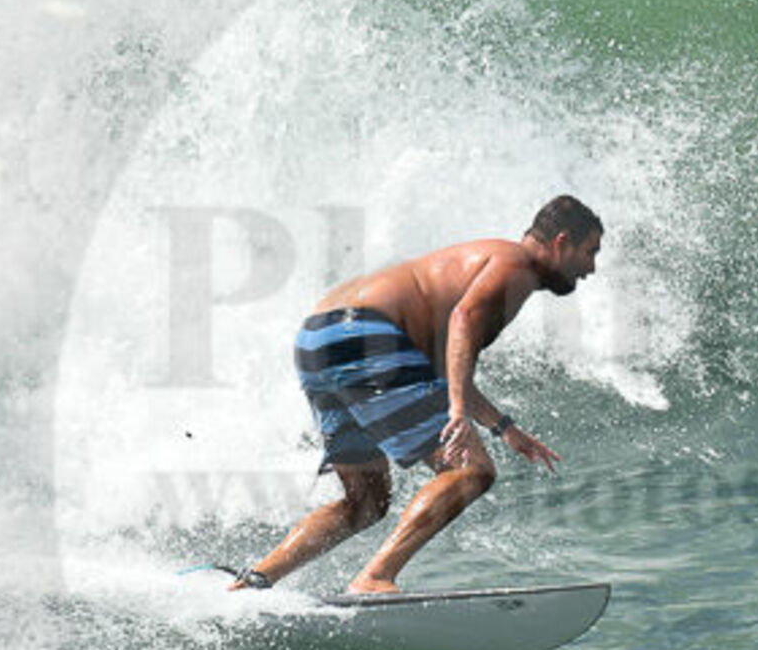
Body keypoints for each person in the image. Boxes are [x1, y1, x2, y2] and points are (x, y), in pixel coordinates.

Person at [225, 195, 603, 596]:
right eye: (590, 252)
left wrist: (503, 427)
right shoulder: (517, 264)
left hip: (319, 341)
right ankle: (374, 577)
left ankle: (255, 580)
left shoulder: (483, 263)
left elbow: (443, 366)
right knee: (470, 470)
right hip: (366, 335)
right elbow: (463, 320)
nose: (592, 268)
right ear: (561, 242)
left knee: (365, 502)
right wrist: (457, 412)